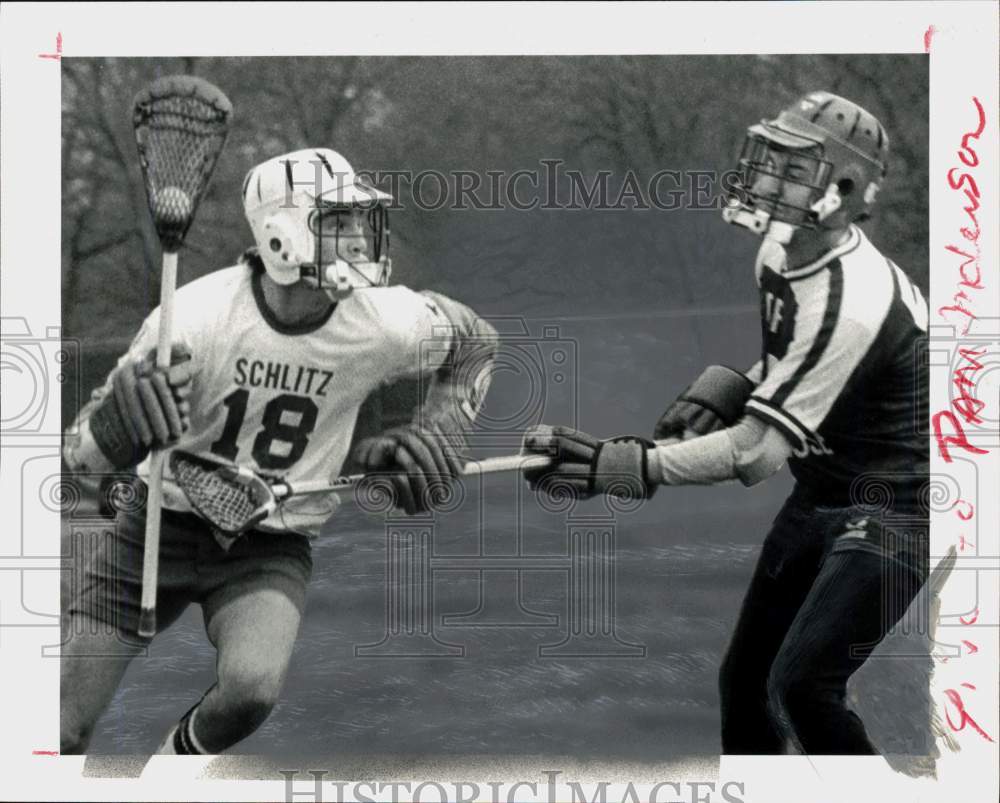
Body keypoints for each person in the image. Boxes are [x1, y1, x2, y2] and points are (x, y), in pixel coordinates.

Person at [521, 92, 930, 755]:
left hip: (900, 503)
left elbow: (755, 453)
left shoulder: (853, 299)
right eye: (772, 160)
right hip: (827, 484)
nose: (768, 180)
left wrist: (625, 465)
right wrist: (736, 383)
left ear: (845, 189)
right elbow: (796, 361)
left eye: (794, 170)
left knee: (803, 688)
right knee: (744, 683)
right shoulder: (780, 248)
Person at [61, 147, 497, 755]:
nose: (357, 238)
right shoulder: (196, 318)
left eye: (357, 220)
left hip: (271, 539)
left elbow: (476, 342)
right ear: (281, 239)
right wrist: (116, 424)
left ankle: (169, 773)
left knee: (251, 691)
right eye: (336, 221)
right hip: (158, 524)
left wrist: (443, 427)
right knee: (59, 727)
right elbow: (80, 458)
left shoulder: (384, 322)